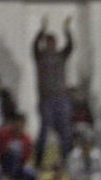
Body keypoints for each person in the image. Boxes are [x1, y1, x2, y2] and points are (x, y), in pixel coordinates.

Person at [32, 15, 75, 168]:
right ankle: (38, 161)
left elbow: (70, 46)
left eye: (54, 42)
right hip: (46, 99)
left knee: (65, 131)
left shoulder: (60, 56)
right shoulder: (40, 56)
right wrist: (41, 32)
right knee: (44, 130)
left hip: (62, 98)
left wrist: (67, 30)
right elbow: (34, 46)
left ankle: (67, 160)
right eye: (49, 42)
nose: (52, 44)